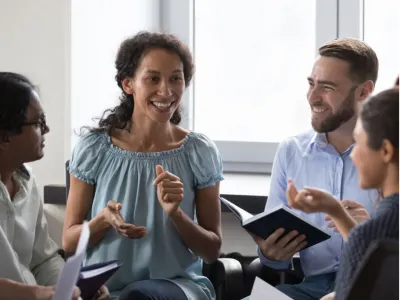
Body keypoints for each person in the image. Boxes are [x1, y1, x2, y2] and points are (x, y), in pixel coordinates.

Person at [62, 31, 223, 300]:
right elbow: (68, 242)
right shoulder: (93, 148)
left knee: (139, 296)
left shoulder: (199, 151)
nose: (167, 90)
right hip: (103, 290)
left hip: (177, 287)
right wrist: (102, 220)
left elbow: (211, 250)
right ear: (128, 84)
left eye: (176, 78)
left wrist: (176, 214)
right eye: (153, 78)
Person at [243, 38, 380, 300]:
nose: (312, 96)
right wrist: (271, 254)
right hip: (311, 288)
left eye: (327, 87)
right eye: (311, 83)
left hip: (373, 289)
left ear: (364, 91)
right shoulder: (291, 151)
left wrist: (373, 233)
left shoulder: (388, 156)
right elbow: (274, 264)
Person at [0, 72, 109, 300]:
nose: (46, 129)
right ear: (5, 136)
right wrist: (38, 294)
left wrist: (74, 285)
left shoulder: (27, 180)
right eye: (38, 122)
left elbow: (43, 259)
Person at [287, 84, 400, 300]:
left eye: (358, 143)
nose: (353, 155)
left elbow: (366, 244)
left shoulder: (370, 234)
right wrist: (335, 210)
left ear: (386, 151)